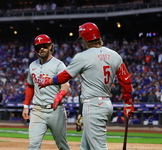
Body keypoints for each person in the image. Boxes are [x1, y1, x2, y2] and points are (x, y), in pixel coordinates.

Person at [38, 22, 134, 150]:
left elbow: (65, 76)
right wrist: (128, 102)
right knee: (85, 146)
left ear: (85, 38)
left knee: (98, 147)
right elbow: (126, 80)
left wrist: (48, 81)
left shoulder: (82, 57)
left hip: (93, 106)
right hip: (106, 104)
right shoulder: (114, 55)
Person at [22, 34, 71, 150]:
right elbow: (30, 86)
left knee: (62, 145)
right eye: (38, 47)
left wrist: (60, 95)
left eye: (44, 46)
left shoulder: (59, 64)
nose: (41, 49)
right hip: (37, 110)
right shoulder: (32, 65)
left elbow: (66, 85)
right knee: (33, 145)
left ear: (50, 46)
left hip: (55, 110)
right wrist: (25, 105)